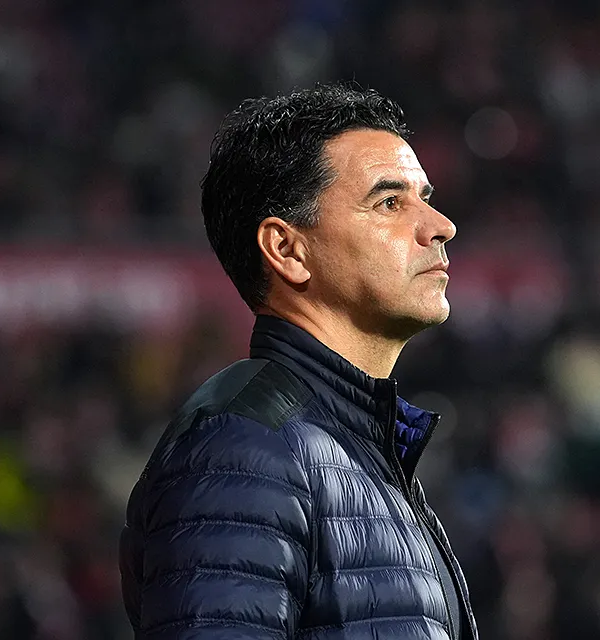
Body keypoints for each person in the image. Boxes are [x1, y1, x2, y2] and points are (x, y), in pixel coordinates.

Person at [119, 83, 477, 639]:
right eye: (389, 203)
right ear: (287, 250)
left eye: (424, 197)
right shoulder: (243, 448)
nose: (440, 226)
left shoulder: (350, 446)